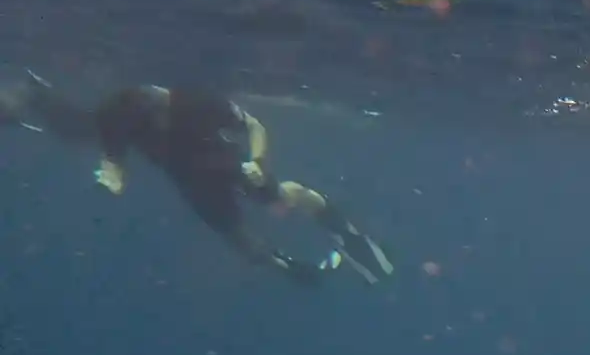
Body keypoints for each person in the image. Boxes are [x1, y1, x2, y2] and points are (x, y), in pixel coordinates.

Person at [0, 75, 394, 288]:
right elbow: (112, 153)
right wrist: (113, 174)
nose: (157, 121)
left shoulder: (199, 104)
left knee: (276, 193)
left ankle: (339, 226)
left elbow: (254, 126)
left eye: (158, 115)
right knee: (237, 237)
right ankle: (32, 97)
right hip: (188, 176)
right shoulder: (119, 115)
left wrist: (256, 160)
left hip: (214, 160)